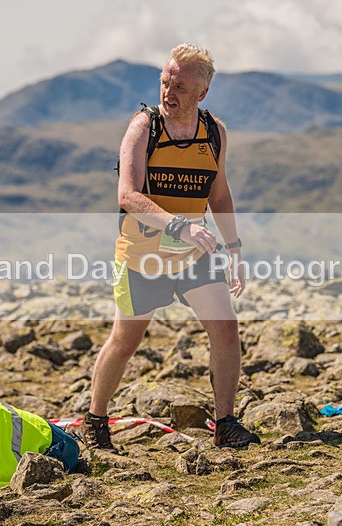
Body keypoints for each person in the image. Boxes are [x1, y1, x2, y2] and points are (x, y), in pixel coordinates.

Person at [81, 43, 260, 451]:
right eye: (164, 81)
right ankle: (94, 421)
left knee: (227, 331)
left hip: (193, 255)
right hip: (142, 256)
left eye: (179, 85)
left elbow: (219, 195)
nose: (168, 91)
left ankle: (226, 424)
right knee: (126, 341)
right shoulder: (144, 129)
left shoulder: (214, 132)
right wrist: (178, 225)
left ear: (202, 93)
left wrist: (234, 249)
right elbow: (127, 195)